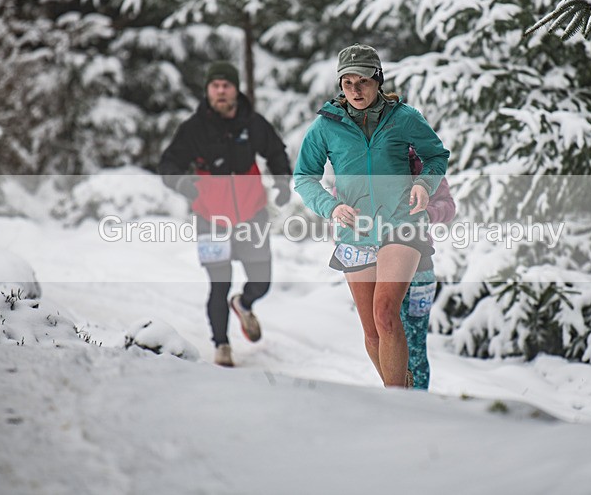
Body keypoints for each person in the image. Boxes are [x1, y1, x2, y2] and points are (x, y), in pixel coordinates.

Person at [294, 44, 449, 388]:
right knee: (371, 330)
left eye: (362, 81)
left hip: (402, 225)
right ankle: (399, 389)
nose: (355, 90)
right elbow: (303, 176)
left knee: (385, 314)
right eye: (347, 83)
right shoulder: (326, 126)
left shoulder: (404, 117)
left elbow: (437, 156)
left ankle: (397, 403)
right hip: (357, 232)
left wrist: (424, 184)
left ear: (377, 79)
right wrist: (330, 207)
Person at [158, 61, 292, 367]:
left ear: (235, 90)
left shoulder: (252, 123)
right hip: (211, 217)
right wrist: (182, 183)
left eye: (226, 85)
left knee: (262, 281)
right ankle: (221, 345)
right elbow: (168, 164)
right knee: (219, 283)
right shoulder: (194, 129)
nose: (220, 90)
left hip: (252, 214)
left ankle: (243, 304)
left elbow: (275, 151)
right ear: (207, 91)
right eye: (215, 85)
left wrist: (282, 181)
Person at [400, 146, 456, 390]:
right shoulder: (368, 157)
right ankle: (394, 401)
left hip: (420, 266)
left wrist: (427, 213)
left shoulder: (423, 162)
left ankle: (417, 404)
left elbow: (448, 205)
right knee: (387, 341)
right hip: (378, 263)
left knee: (415, 345)